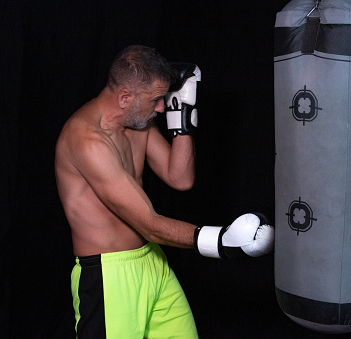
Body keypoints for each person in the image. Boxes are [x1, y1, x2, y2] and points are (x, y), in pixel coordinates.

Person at [55, 45, 274, 339]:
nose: (161, 107)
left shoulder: (137, 123)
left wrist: (182, 118)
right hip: (110, 275)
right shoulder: (88, 141)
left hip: (153, 261)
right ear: (124, 97)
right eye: (156, 100)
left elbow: (180, 177)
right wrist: (221, 241)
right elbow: (149, 224)